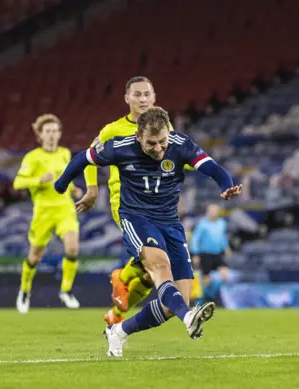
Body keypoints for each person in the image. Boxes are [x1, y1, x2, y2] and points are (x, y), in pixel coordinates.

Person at [54, 107, 242, 356]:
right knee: (161, 267)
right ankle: (188, 319)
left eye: (162, 141)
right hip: (137, 218)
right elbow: (82, 159)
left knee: (174, 302)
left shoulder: (180, 144)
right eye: (151, 143)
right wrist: (61, 183)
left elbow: (214, 169)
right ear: (138, 138)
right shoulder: (119, 147)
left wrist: (226, 186)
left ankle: (119, 332)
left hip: (171, 224)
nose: (158, 148)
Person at [77, 76, 194, 325]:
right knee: (155, 263)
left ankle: (117, 313)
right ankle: (122, 281)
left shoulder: (164, 125)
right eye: (137, 94)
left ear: (154, 98)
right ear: (127, 99)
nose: (142, 99)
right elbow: (89, 157)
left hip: (158, 205)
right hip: (128, 204)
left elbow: (170, 161)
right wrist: (92, 190)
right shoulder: (112, 130)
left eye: (146, 94)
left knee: (152, 275)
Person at [13, 114, 83, 314]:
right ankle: (25, 290)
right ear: (40, 135)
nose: (52, 135)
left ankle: (66, 290)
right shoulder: (33, 157)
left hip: (64, 209)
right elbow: (18, 182)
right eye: (48, 131)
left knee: (73, 248)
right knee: (35, 256)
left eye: (55, 131)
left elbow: (65, 181)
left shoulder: (65, 153)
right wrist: (39, 180)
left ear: (60, 133)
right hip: (43, 211)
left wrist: (74, 190)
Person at [190, 203, 232, 302]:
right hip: (205, 254)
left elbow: (223, 237)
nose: (214, 213)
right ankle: (201, 300)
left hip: (217, 254)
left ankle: (213, 296)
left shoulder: (222, 223)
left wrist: (226, 248)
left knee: (225, 274)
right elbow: (195, 239)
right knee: (206, 279)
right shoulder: (202, 224)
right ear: (207, 212)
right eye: (212, 211)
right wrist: (195, 254)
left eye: (216, 210)